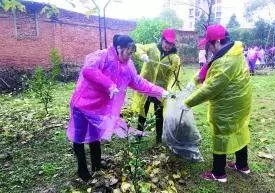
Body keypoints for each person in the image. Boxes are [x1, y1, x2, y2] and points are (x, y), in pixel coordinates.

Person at [67, 34, 171, 181]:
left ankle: (96, 165)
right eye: (127, 52)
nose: (129, 56)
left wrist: (161, 91)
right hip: (83, 103)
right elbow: (89, 71)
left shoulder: (127, 65)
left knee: (96, 136)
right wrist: (108, 85)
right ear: (119, 48)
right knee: (79, 136)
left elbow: (138, 82)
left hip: (99, 108)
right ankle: (82, 170)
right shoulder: (102, 56)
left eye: (131, 53)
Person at [182, 25, 252, 183]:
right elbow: (209, 65)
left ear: (218, 41)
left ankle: (218, 173)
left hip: (227, 105)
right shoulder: (233, 51)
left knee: (220, 133)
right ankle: (242, 165)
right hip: (241, 101)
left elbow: (210, 89)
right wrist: (195, 80)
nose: (209, 48)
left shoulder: (226, 62)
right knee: (239, 129)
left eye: (210, 45)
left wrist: (188, 103)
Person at [132, 28, 181, 145]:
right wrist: (142, 55)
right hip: (145, 86)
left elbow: (174, 76)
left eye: (171, 44)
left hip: (160, 90)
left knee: (159, 114)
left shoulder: (174, 58)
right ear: (162, 40)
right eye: (166, 42)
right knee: (142, 111)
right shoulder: (153, 48)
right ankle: (138, 135)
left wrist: (169, 90)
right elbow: (136, 47)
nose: (168, 46)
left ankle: (159, 138)